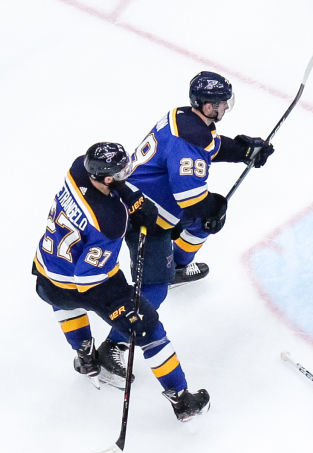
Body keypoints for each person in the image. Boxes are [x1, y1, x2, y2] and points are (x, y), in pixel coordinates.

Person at [97, 71, 274, 376]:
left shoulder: (183, 118)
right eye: (220, 103)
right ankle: (114, 345)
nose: (225, 108)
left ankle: (177, 266)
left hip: (150, 203)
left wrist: (243, 151)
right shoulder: (187, 139)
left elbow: (212, 146)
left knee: (202, 223)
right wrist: (214, 208)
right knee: (155, 288)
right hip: (143, 217)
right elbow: (190, 199)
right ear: (206, 106)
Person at [31, 142, 210, 421]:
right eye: (120, 171)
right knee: (149, 329)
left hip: (46, 272)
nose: (126, 172)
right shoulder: (110, 221)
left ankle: (85, 355)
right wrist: (121, 311)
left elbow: (116, 188)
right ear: (106, 178)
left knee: (62, 299)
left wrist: (132, 199)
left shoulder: (79, 168)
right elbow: (88, 279)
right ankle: (181, 398)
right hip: (86, 279)